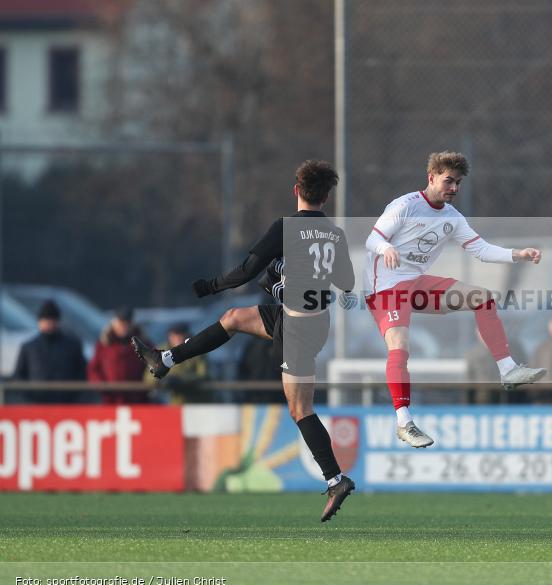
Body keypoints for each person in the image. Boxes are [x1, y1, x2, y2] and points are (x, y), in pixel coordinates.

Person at [130, 160, 356, 522]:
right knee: (234, 318)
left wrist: (211, 286)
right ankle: (166, 359)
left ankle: (335, 479)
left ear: (296, 190)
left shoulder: (285, 228)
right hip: (307, 320)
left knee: (301, 409)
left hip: (298, 328)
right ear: (326, 196)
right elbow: (346, 282)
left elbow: (246, 271)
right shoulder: (335, 233)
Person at [365, 151, 547, 448]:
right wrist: (386, 248)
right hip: (386, 286)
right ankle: (404, 422)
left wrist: (518, 254)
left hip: (416, 283)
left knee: (482, 298)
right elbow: (372, 238)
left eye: (458, 183)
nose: (453, 188)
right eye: (448, 181)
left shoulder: (452, 217)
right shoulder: (405, 205)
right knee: (400, 345)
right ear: (431, 177)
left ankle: (508, 370)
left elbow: (481, 249)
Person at [12, 299, 86, 404]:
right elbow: (18, 376)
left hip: (66, 405)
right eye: (45, 320)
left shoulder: (73, 346)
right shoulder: (28, 347)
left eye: (52, 320)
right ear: (39, 322)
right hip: (36, 405)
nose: (49, 324)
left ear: (58, 322)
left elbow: (82, 374)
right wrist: (30, 396)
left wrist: (71, 396)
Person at [88, 307, 150, 404]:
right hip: (110, 401)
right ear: (114, 323)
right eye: (121, 323)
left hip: (138, 401)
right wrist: (102, 386)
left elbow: (154, 366)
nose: (124, 327)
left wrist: (147, 385)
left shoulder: (143, 344)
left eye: (127, 323)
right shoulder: (103, 344)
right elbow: (94, 370)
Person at [144, 323, 211, 405]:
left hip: (192, 401)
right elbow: (148, 376)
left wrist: (181, 380)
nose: (177, 338)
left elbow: (203, 375)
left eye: (180, 335)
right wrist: (163, 381)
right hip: (164, 401)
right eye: (174, 335)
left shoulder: (198, 350)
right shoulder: (160, 351)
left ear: (187, 335)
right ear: (169, 336)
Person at [464, 328, 528, 405]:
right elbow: (469, 384)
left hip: (511, 401)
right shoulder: (473, 355)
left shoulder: (514, 350)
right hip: (483, 402)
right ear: (477, 334)